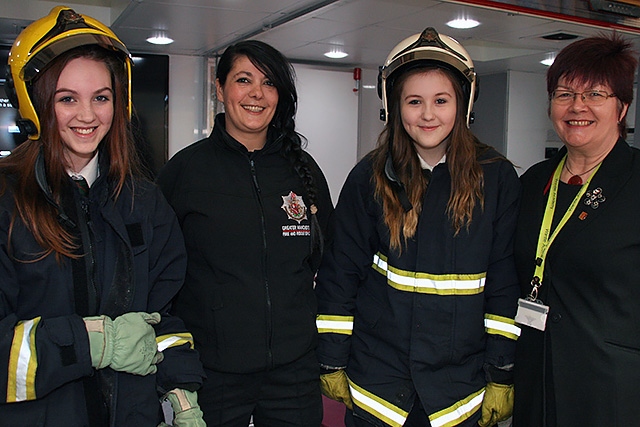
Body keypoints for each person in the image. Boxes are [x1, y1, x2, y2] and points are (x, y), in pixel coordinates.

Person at [0, 6, 206, 427]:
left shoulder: (144, 202)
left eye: (101, 97)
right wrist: (91, 343)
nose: (88, 116)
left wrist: (183, 397)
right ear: (35, 104)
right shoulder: (7, 201)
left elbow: (162, 316)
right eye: (67, 99)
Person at [315, 27, 522, 427]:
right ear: (394, 107)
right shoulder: (369, 177)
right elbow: (340, 275)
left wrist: (501, 371)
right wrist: (331, 359)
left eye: (441, 100)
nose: (428, 115)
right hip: (379, 391)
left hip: (458, 394)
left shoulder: (496, 179)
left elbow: (503, 281)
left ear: (463, 103)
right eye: (414, 101)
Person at [156, 40, 333, 426]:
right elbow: (159, 275)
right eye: (243, 79)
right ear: (220, 89)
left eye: (269, 83)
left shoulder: (302, 170)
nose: (256, 93)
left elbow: (325, 256)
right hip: (213, 370)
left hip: (294, 370)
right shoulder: (185, 172)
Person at [512, 33, 640, 426]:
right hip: (534, 381)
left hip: (610, 390)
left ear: (622, 108)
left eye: (595, 94)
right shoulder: (534, 182)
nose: (577, 106)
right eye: (564, 93)